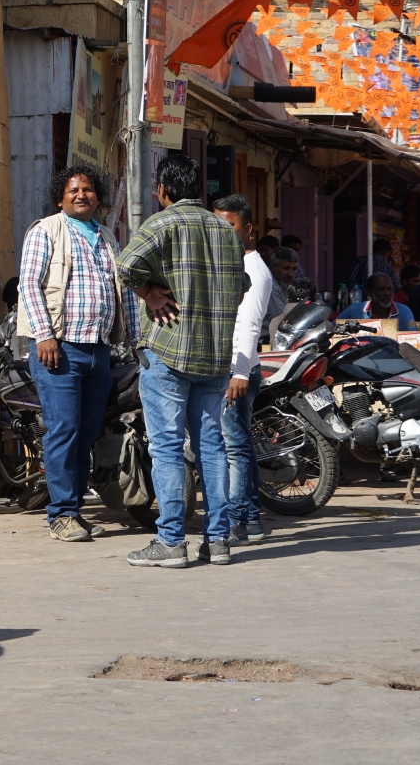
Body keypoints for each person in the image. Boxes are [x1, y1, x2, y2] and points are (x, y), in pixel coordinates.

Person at [117, 153, 247, 568]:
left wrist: (150, 293)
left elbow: (125, 265)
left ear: (162, 191)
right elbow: (241, 284)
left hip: (169, 350)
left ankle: (172, 541)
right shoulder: (225, 230)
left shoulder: (162, 222)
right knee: (212, 447)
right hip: (214, 354)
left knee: (168, 447)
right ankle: (219, 541)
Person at [17, 165, 139, 543]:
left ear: (97, 197)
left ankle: (75, 511)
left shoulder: (107, 238)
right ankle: (62, 515)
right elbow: (30, 285)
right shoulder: (46, 231)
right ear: (60, 197)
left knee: (86, 432)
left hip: (98, 351)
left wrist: (136, 342)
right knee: (64, 430)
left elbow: (125, 294)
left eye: (87, 189)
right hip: (59, 349)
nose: (81, 194)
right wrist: (44, 335)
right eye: (73, 190)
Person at [213, 194, 272, 547]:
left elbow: (249, 325)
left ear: (248, 229)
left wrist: (237, 372)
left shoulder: (253, 269)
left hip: (239, 367)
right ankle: (250, 519)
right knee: (240, 445)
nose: (223, 232)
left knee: (233, 447)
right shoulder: (233, 263)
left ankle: (236, 519)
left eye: (230, 226)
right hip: (240, 366)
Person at [338, 273, 418, 331]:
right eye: (381, 289)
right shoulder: (355, 311)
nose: (387, 293)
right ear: (370, 292)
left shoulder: (403, 312)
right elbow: (332, 328)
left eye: (390, 289)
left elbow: (411, 340)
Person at [265, 246, 299, 337]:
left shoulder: (286, 284)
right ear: (272, 267)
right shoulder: (271, 287)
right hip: (266, 341)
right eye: (286, 268)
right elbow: (284, 322)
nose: (291, 274)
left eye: (294, 269)